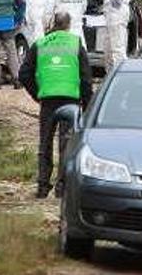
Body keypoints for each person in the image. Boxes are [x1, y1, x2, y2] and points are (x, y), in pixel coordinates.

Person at [19, 12, 93, 199]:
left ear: (52, 24)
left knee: (45, 143)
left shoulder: (40, 44)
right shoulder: (76, 44)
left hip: (48, 100)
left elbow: (24, 74)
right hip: (71, 100)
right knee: (66, 144)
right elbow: (85, 77)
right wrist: (88, 104)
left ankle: (43, 186)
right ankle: (62, 187)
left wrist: (38, 93)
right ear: (68, 25)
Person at [101, 0, 134, 73]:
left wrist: (114, 3)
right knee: (108, 49)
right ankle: (110, 75)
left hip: (116, 16)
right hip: (112, 17)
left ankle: (120, 75)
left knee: (117, 48)